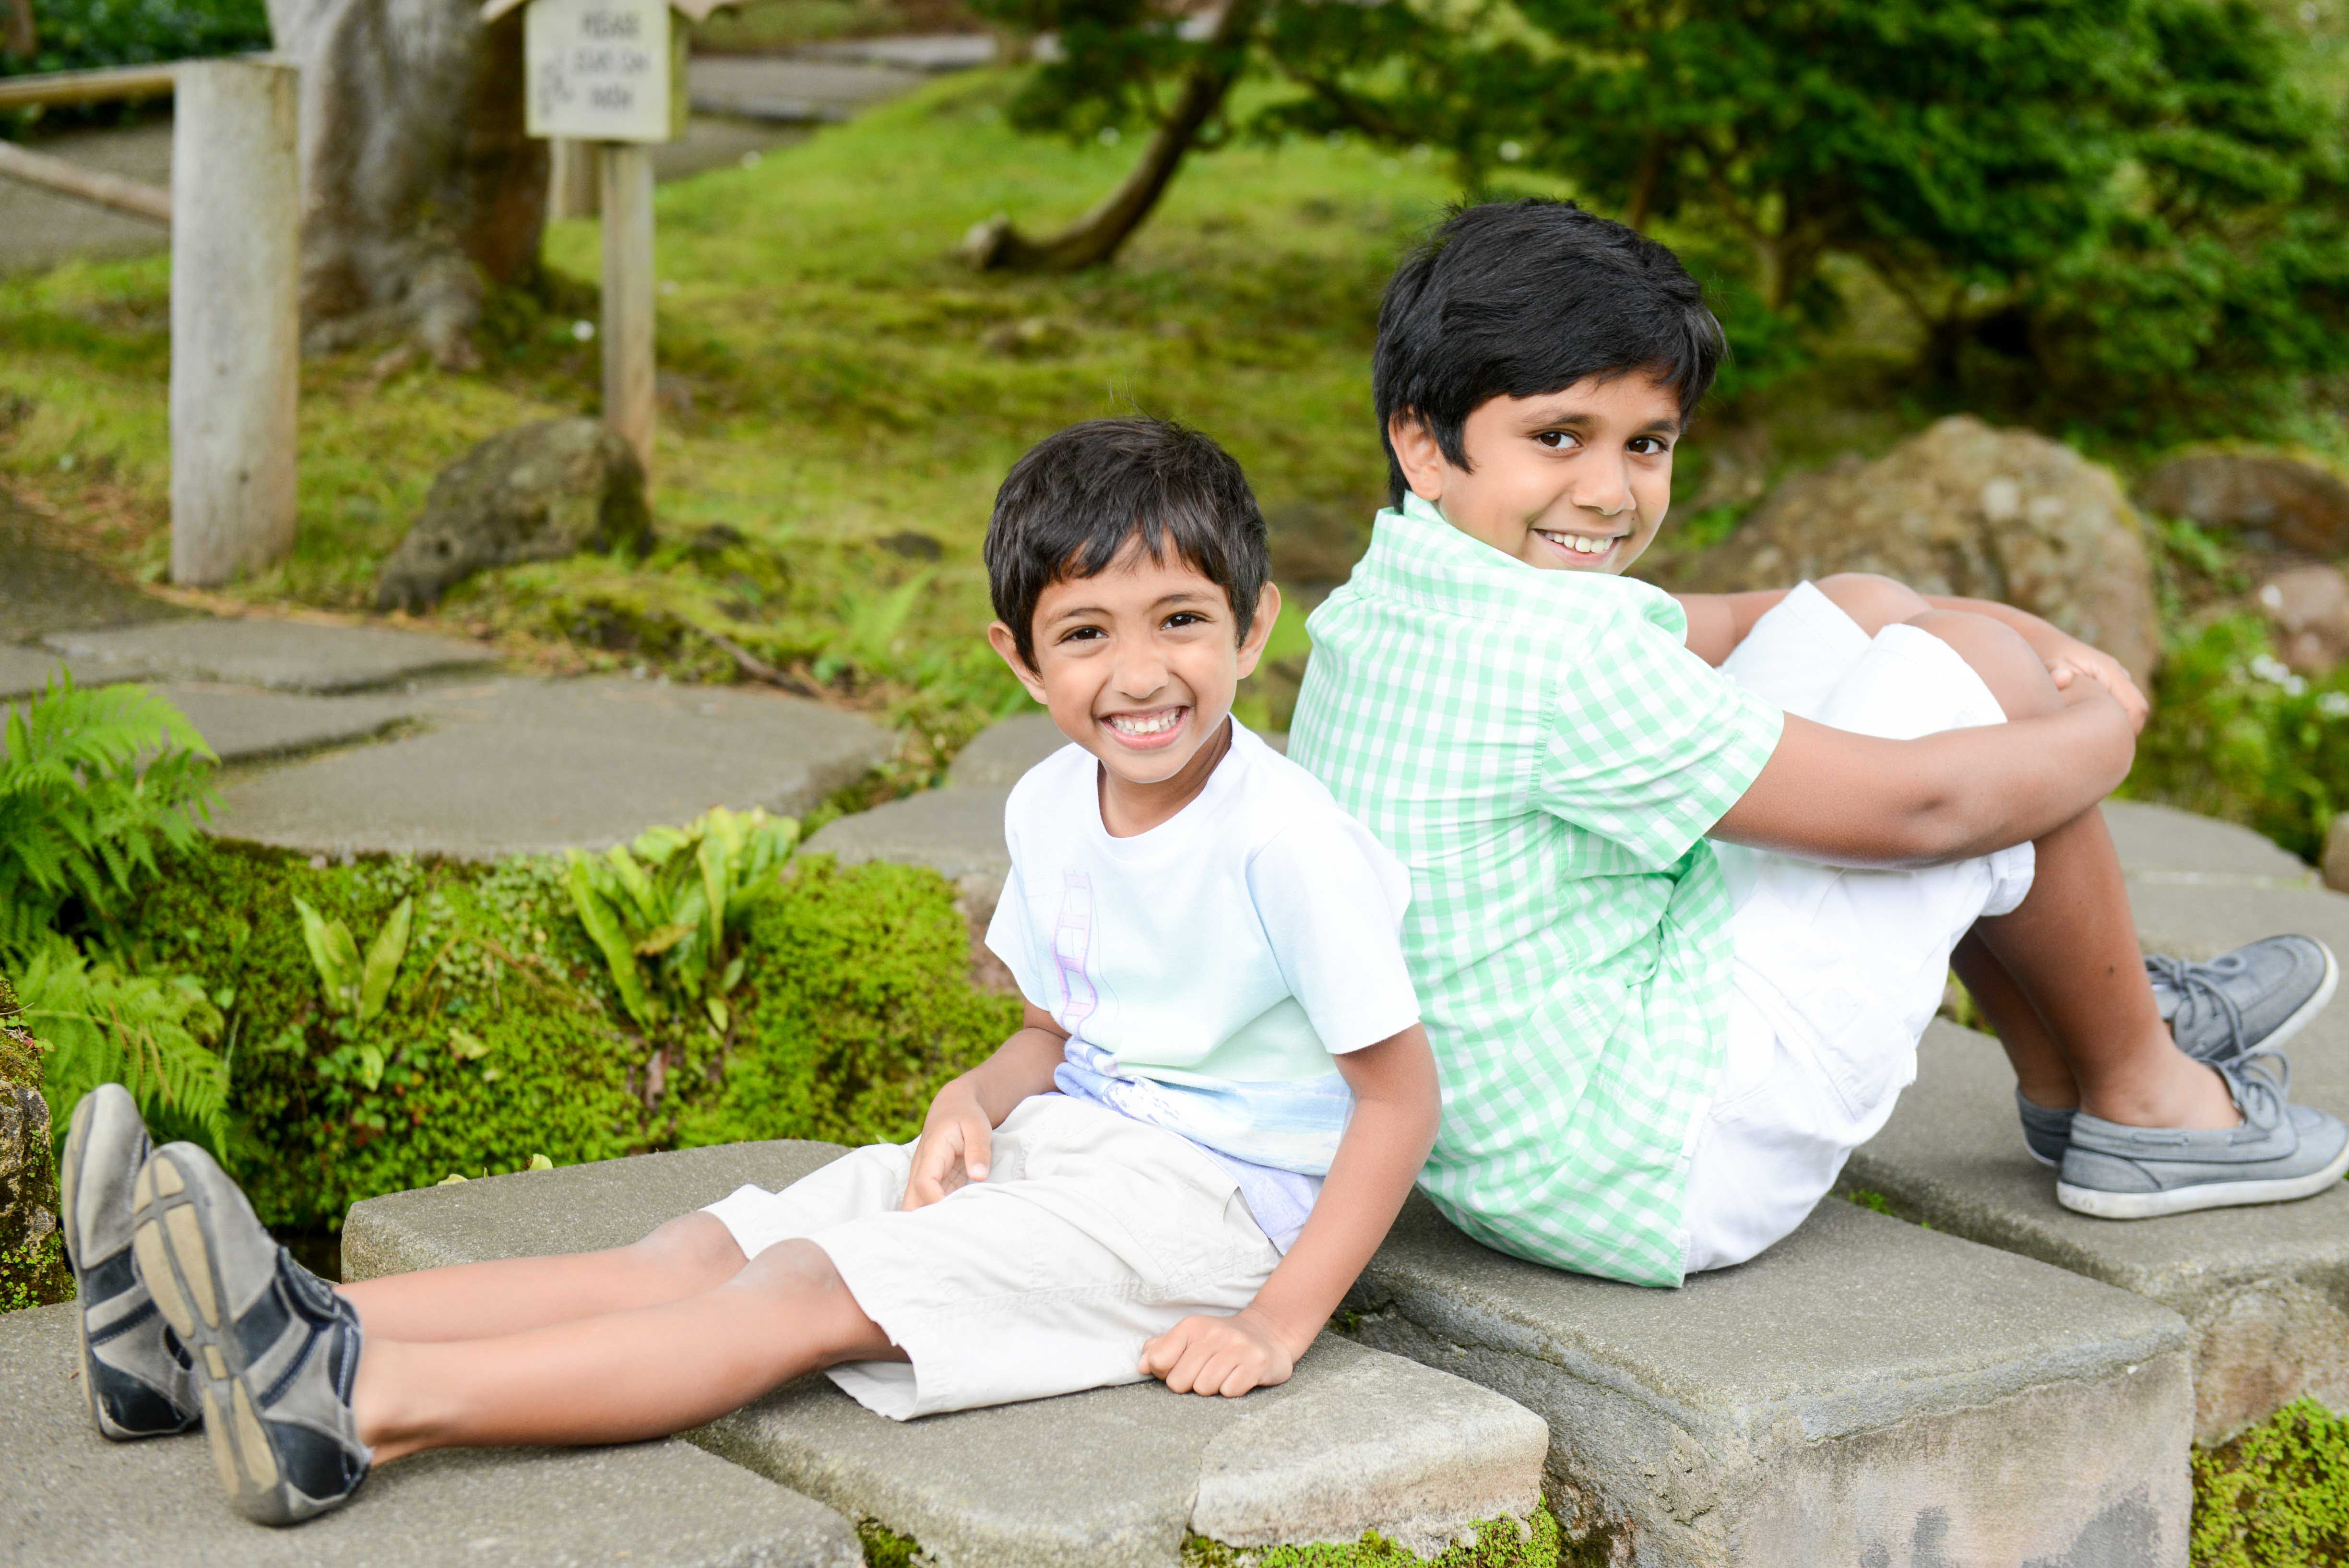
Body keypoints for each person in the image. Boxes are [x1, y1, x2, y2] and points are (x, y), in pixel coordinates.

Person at [65, 416, 1438, 1525]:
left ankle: (348, 1406)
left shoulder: (1287, 843)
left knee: (794, 1298)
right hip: (1069, 1147)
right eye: (1089, 632)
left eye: (1181, 621)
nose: (1141, 673)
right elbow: (1049, 1027)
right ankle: (185, 1342)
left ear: (1255, 628)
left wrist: (1273, 1321)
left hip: (1206, 1214)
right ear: (1020, 660)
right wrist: (974, 1093)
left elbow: (1396, 1103)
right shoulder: (1047, 805)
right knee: (699, 1249)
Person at [1287, 198, 2348, 1290]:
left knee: (1865, 607)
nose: (1608, 493)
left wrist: (2039, 642)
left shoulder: (1399, 594)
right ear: (1424, 439)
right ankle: (2147, 1094)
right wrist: (2098, 721)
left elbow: (1764, 618)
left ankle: (2078, 1055)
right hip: (1661, 1166)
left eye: (1646, 444)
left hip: (1518, 1144)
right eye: (1559, 436)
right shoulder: (1559, 663)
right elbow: (1919, 810)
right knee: (1978, 695)